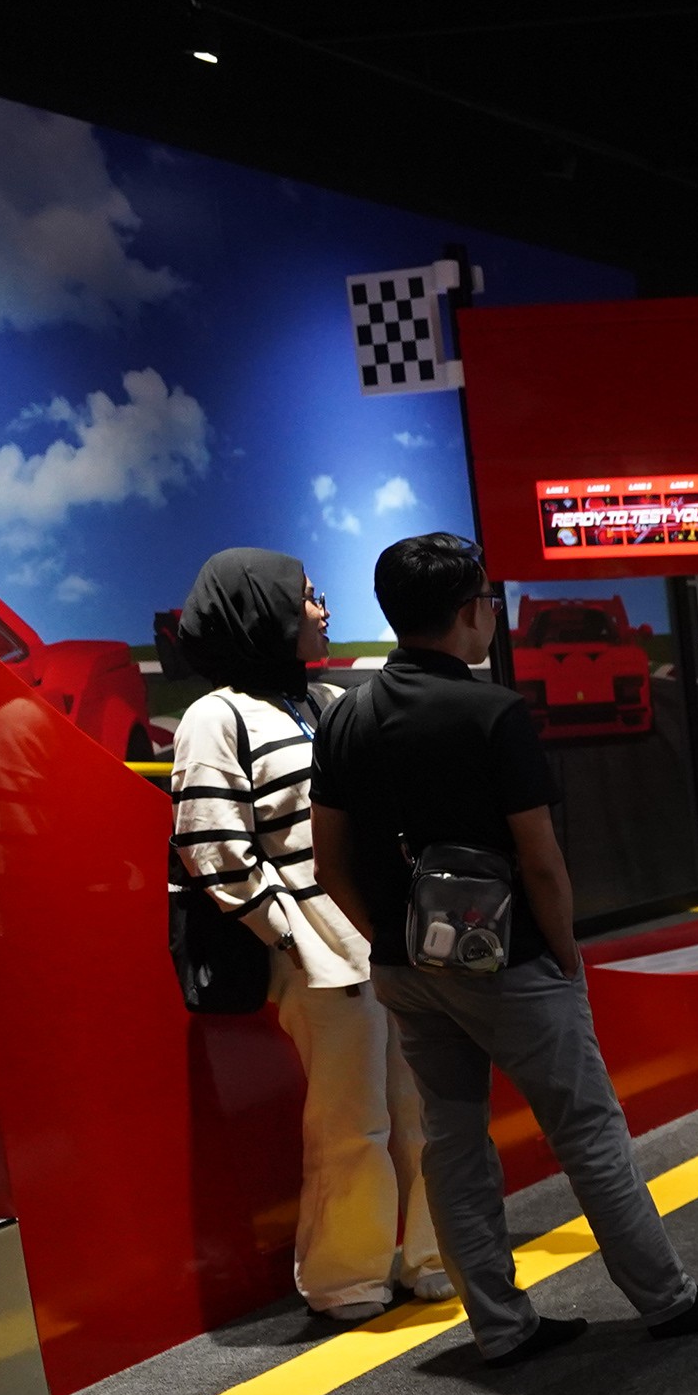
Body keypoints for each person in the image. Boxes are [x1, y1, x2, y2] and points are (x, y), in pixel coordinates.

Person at [311, 533, 698, 1366]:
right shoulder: (494, 713)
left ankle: (499, 1325)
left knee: (451, 1139)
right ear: (467, 612)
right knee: (587, 1129)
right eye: (487, 600)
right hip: (510, 961)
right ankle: (667, 1300)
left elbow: (328, 863)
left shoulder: (345, 717)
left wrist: (391, 940)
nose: (492, 613)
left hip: (406, 968)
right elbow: (542, 862)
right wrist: (565, 956)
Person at [169, 548, 444, 1323]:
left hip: (385, 940)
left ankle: (433, 1255)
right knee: (351, 1122)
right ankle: (347, 1278)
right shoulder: (216, 717)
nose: (322, 610)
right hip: (321, 956)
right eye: (307, 597)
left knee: (424, 1108)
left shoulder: (325, 700)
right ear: (261, 610)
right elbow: (211, 842)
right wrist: (289, 934)